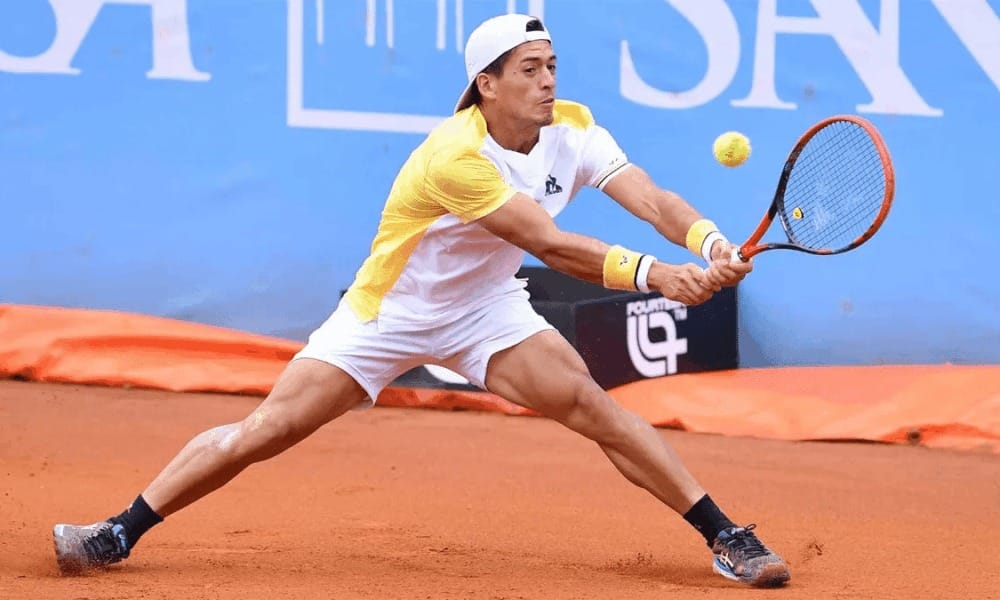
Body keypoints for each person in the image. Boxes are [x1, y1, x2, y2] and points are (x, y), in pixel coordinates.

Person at [53, 13, 790, 587]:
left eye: (552, 67)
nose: (547, 82)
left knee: (596, 409)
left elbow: (652, 198)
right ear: (487, 85)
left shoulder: (572, 127)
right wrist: (659, 277)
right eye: (529, 70)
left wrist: (709, 243)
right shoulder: (455, 158)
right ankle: (118, 531)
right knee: (265, 431)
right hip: (389, 312)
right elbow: (550, 243)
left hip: (486, 309)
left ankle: (725, 535)